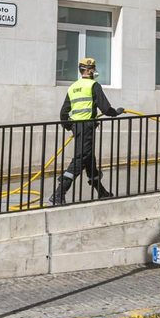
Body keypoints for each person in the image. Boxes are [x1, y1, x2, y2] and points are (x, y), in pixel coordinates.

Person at [52, 57, 121, 206]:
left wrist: (70, 127)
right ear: (88, 70)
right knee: (80, 158)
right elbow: (105, 108)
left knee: (89, 160)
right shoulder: (93, 85)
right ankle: (59, 193)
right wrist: (116, 112)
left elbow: (63, 113)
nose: (95, 70)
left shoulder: (73, 87)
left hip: (78, 127)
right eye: (93, 68)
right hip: (87, 127)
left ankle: (101, 192)